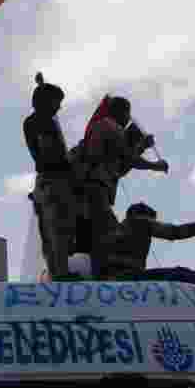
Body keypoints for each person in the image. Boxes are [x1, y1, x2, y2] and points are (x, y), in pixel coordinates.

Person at [76, 96, 167, 275]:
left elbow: (120, 166)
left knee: (98, 234)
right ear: (122, 112)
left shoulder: (102, 127)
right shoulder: (110, 126)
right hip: (96, 190)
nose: (128, 119)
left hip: (93, 190)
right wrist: (156, 165)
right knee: (110, 233)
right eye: (128, 114)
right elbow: (129, 158)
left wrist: (141, 147)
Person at [24, 73, 80, 279]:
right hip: (55, 180)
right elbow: (50, 152)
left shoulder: (35, 121)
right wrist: (68, 167)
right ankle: (61, 273)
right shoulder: (42, 122)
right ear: (47, 102)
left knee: (50, 232)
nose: (59, 107)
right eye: (57, 102)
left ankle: (57, 272)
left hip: (45, 183)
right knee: (58, 229)